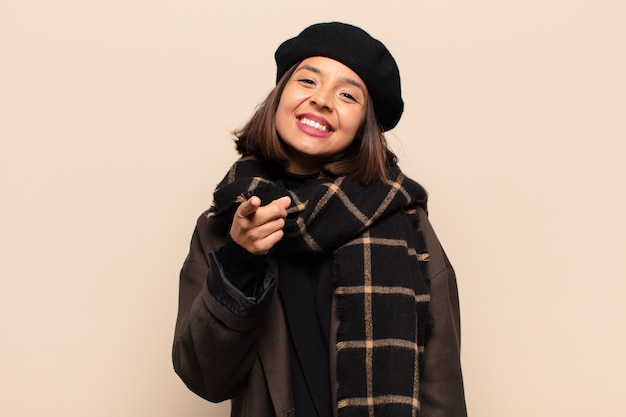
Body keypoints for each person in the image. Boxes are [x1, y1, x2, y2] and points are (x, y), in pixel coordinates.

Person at [172, 22, 467, 417]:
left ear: (364, 124)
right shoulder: (227, 222)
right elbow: (205, 378)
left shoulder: (404, 222)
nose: (322, 100)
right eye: (307, 81)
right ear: (279, 97)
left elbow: (441, 384)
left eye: (347, 94)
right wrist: (241, 260)